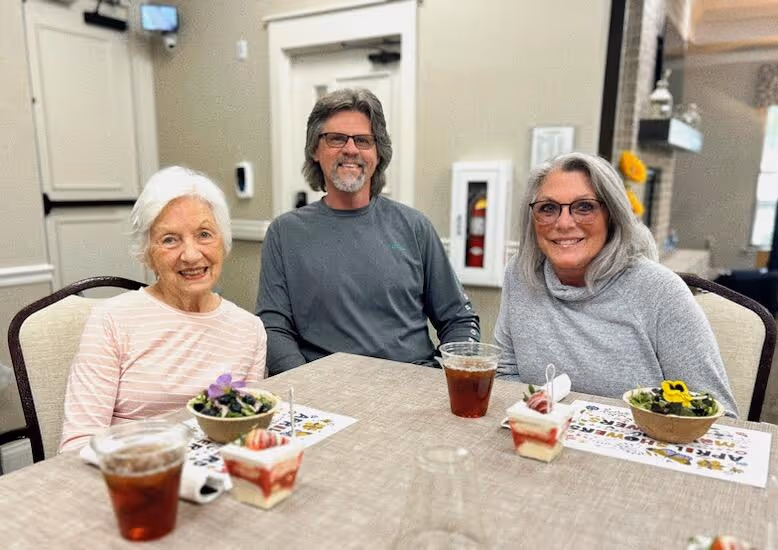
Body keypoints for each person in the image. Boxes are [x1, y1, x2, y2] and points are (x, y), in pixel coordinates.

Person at [494, 152, 738, 416]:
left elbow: (718, 416)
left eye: (584, 207)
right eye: (548, 208)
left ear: (612, 215)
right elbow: (505, 373)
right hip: (540, 443)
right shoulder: (520, 274)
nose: (563, 223)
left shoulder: (661, 291)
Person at [256, 88, 480, 374]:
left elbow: (460, 320)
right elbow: (273, 329)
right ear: (315, 149)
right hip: (325, 396)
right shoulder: (285, 234)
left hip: (411, 387)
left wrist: (443, 380)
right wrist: (305, 387)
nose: (350, 150)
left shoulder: (414, 227)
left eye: (363, 140)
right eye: (336, 139)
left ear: (378, 153)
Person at [60, 167, 267, 451]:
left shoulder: (249, 329)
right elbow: (78, 444)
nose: (192, 255)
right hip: (135, 475)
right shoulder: (112, 320)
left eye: (204, 234)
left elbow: (249, 430)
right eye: (170, 239)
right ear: (147, 254)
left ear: (223, 242)